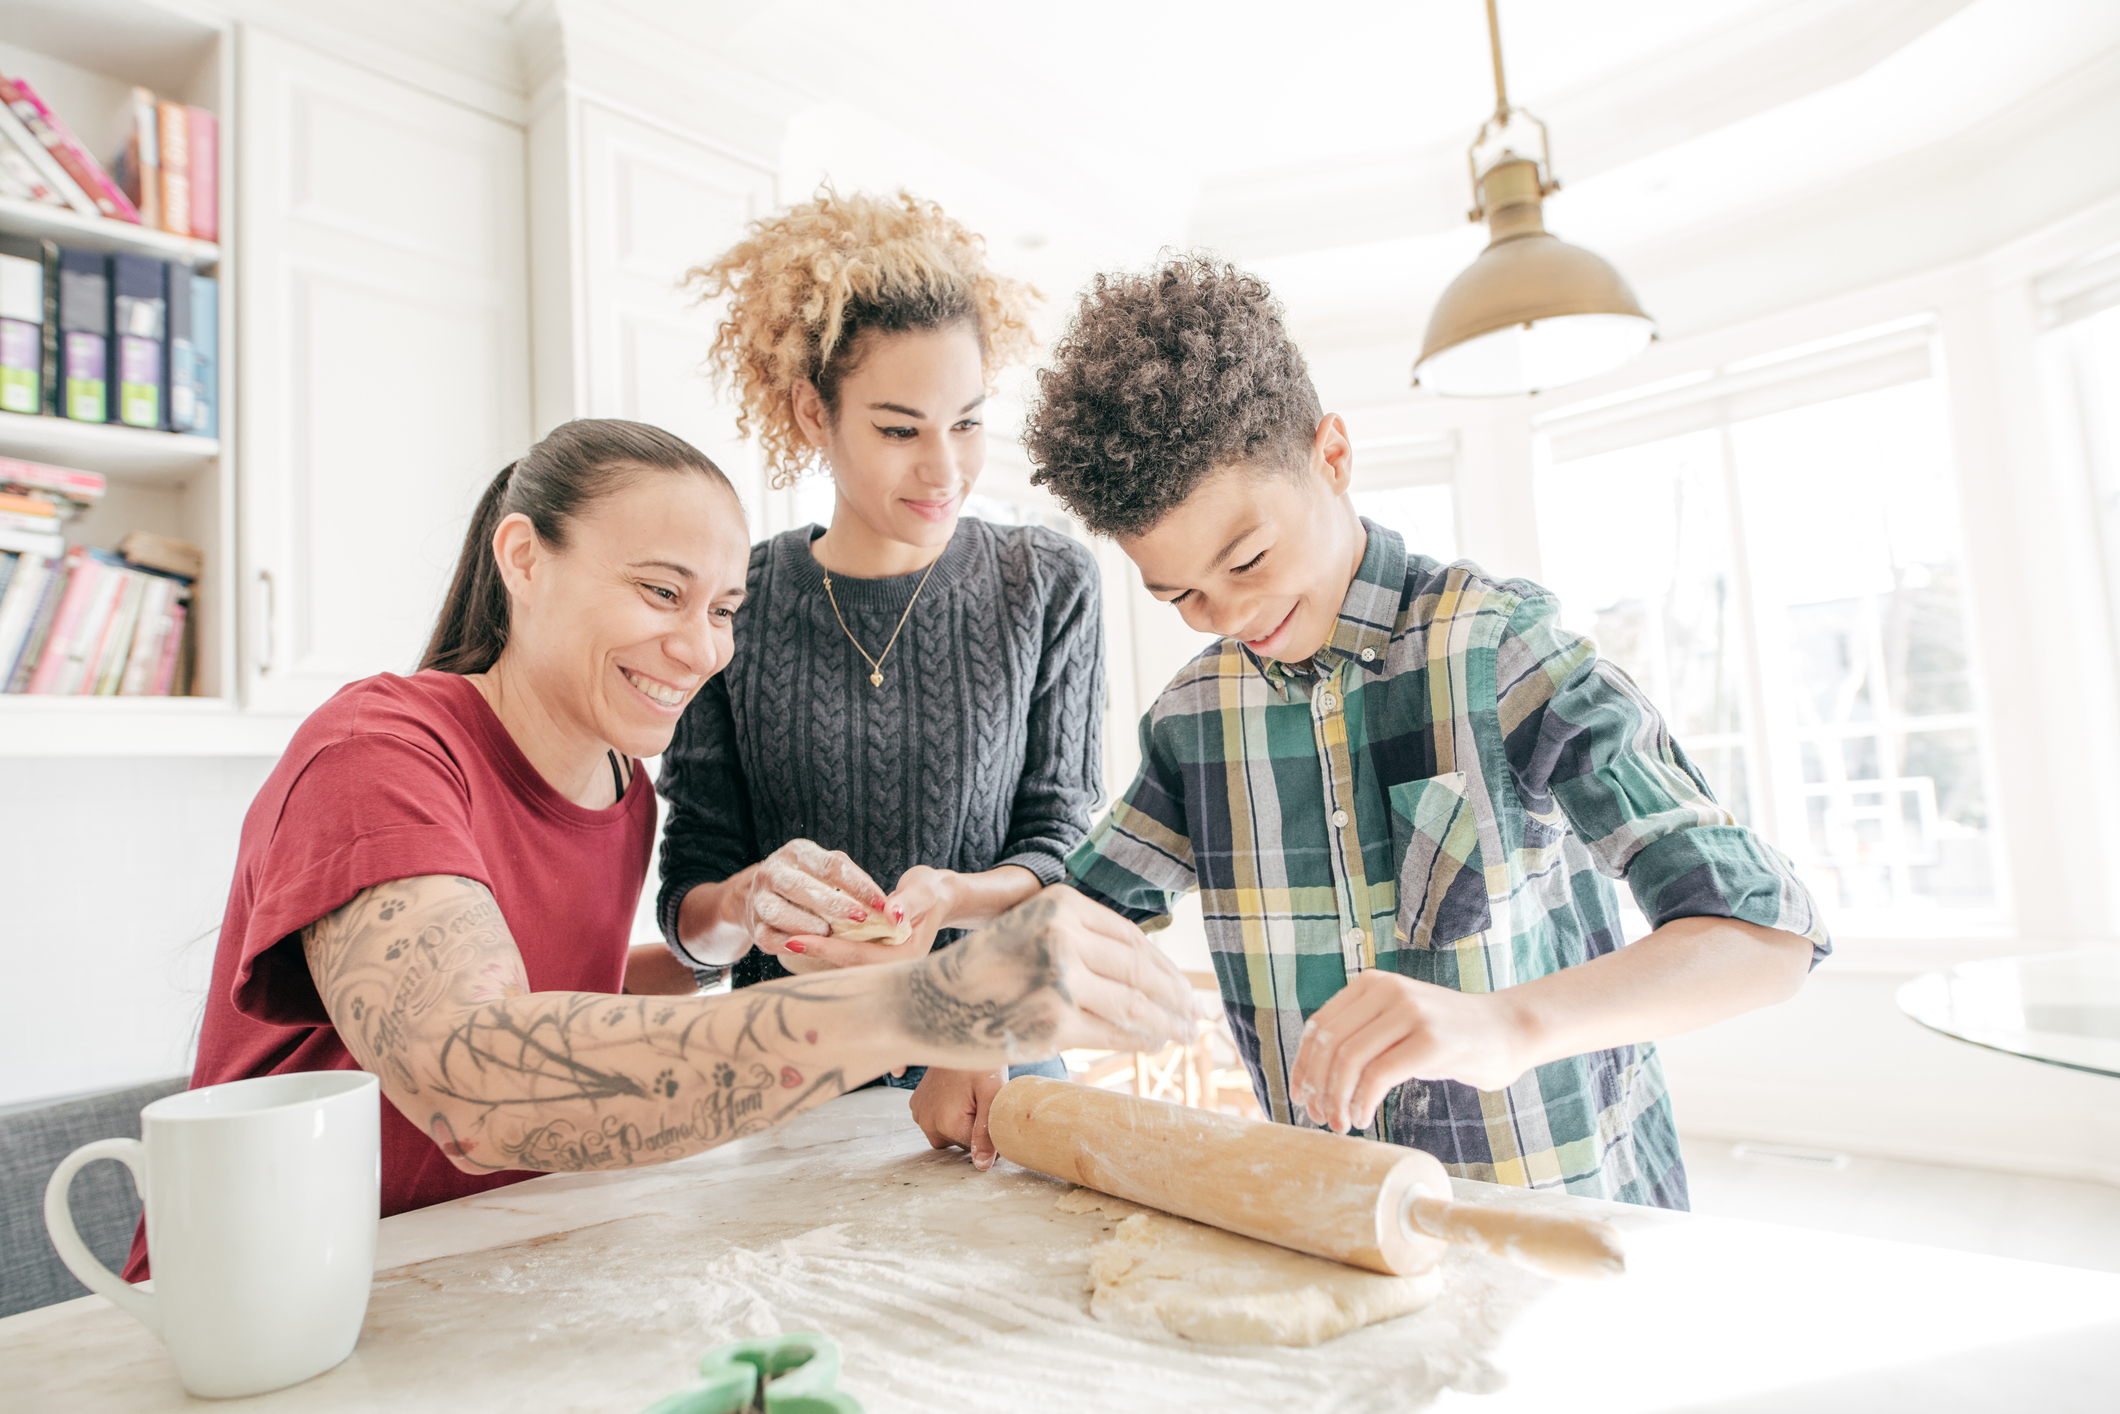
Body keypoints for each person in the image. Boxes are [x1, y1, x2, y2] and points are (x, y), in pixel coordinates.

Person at [122, 418, 1189, 1280]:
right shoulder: (378, 753)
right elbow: (475, 1081)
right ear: (523, 558)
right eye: (660, 591)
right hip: (261, 1298)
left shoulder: (617, 783)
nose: (701, 647)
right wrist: (933, 1002)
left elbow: (559, 984)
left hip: (465, 1271)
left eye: (723, 608)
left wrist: (792, 936)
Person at [1021, 257, 1830, 1207]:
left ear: (1331, 456)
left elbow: (1766, 934)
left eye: (1247, 559)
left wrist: (1510, 1026)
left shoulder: (1501, 648)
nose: (1229, 615)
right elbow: (1077, 930)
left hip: (1567, 1215)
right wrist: (981, 1034)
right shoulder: (1193, 721)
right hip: (1343, 1222)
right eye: (1181, 594)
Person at [658, 191, 1107, 1170]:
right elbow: (689, 894)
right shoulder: (738, 597)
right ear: (812, 412)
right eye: (900, 429)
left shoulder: (1048, 580)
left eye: (967, 422)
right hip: (789, 1079)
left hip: (998, 1067)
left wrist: (949, 897)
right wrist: (752, 897)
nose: (943, 467)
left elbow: (1064, 844)